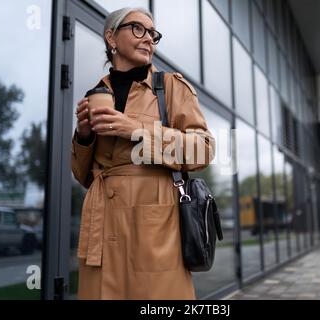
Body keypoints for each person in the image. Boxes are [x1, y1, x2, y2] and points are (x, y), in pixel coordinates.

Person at [71, 7, 215, 300]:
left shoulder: (171, 87)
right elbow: (83, 176)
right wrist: (83, 136)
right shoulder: (96, 93)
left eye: (153, 33)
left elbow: (204, 148)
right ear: (111, 37)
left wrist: (136, 130)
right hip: (101, 224)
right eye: (138, 29)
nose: (148, 38)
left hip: (154, 224)